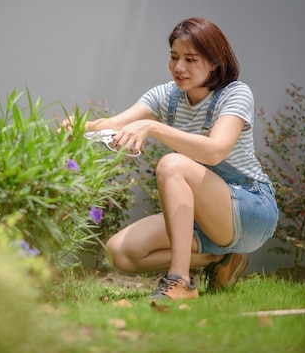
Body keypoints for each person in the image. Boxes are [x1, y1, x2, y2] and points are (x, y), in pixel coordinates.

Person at [60, 17, 279, 300]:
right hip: (202, 217)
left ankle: (180, 282)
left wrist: (154, 127)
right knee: (120, 253)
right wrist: (78, 127)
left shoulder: (235, 94)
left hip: (248, 207)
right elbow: (114, 123)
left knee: (172, 164)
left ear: (214, 61)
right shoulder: (167, 96)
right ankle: (221, 261)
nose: (179, 67)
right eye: (174, 57)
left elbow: (215, 150)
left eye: (190, 59)